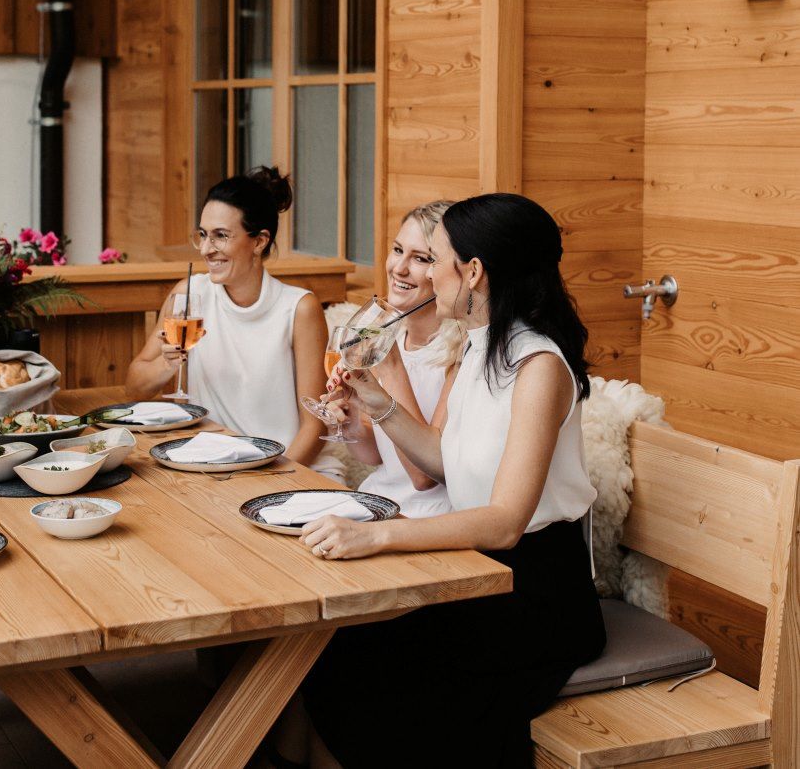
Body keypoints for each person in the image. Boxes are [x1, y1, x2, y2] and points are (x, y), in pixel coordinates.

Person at [296, 193, 605, 767]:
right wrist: (376, 400)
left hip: (539, 593)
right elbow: (441, 461)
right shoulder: (483, 348)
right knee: (337, 647)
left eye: (434, 260)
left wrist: (377, 536)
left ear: (474, 272)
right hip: (476, 572)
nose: (425, 275)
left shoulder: (539, 367)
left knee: (367, 665)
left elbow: (507, 521)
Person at [125, 167, 340, 478]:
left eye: (221, 236)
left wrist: (267, 482)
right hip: (216, 467)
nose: (206, 248)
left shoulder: (298, 308)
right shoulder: (189, 295)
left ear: (259, 241)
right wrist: (167, 365)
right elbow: (134, 388)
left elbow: (315, 423)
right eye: (202, 234)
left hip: (292, 467)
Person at [323, 201, 462, 516]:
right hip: (378, 502)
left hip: (427, 517)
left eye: (421, 258)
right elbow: (375, 456)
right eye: (398, 250)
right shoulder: (390, 336)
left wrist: (392, 368)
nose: (399, 268)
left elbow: (423, 477)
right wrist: (352, 419)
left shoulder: (459, 354)